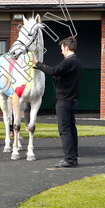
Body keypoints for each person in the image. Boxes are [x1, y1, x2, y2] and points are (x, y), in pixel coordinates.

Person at [34, 36, 82, 167]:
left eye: (62, 49)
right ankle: (73, 156)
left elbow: (53, 70)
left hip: (64, 100)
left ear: (67, 48)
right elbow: (60, 73)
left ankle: (70, 159)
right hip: (72, 99)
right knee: (71, 128)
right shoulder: (77, 62)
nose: (61, 52)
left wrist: (38, 64)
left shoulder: (68, 61)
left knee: (64, 130)